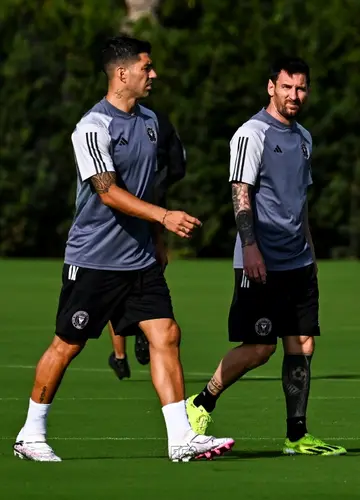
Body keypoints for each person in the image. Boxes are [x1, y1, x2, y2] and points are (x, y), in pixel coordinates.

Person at [13, 35, 234, 463]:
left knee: (166, 334)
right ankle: (30, 434)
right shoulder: (92, 127)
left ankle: (180, 438)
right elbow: (108, 191)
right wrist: (165, 217)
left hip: (140, 261)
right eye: (146, 68)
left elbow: (147, 185)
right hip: (93, 259)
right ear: (122, 74)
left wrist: (157, 240)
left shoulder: (151, 122)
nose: (154, 75)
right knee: (67, 345)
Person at [186, 56, 346, 456]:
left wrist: (310, 251)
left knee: (302, 344)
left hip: (298, 261)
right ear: (271, 87)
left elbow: (301, 200)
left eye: (301, 88)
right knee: (260, 347)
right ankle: (202, 402)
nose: (295, 95)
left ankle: (297, 435)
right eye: (287, 87)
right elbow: (241, 195)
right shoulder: (250, 133)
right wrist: (251, 247)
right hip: (260, 260)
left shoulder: (304, 137)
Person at [108, 109, 186, 379]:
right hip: (152, 211)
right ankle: (142, 330)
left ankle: (120, 354)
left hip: (118, 221)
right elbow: (178, 164)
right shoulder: (160, 122)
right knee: (147, 271)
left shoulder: (103, 123)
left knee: (113, 296)